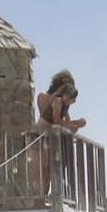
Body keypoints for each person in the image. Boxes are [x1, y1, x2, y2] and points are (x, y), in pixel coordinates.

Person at [33, 71, 86, 201]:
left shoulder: (62, 104)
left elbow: (64, 122)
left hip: (54, 139)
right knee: (43, 170)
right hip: (42, 136)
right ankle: (41, 197)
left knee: (52, 170)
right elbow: (54, 120)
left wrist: (74, 125)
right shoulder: (48, 98)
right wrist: (73, 123)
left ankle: (50, 195)